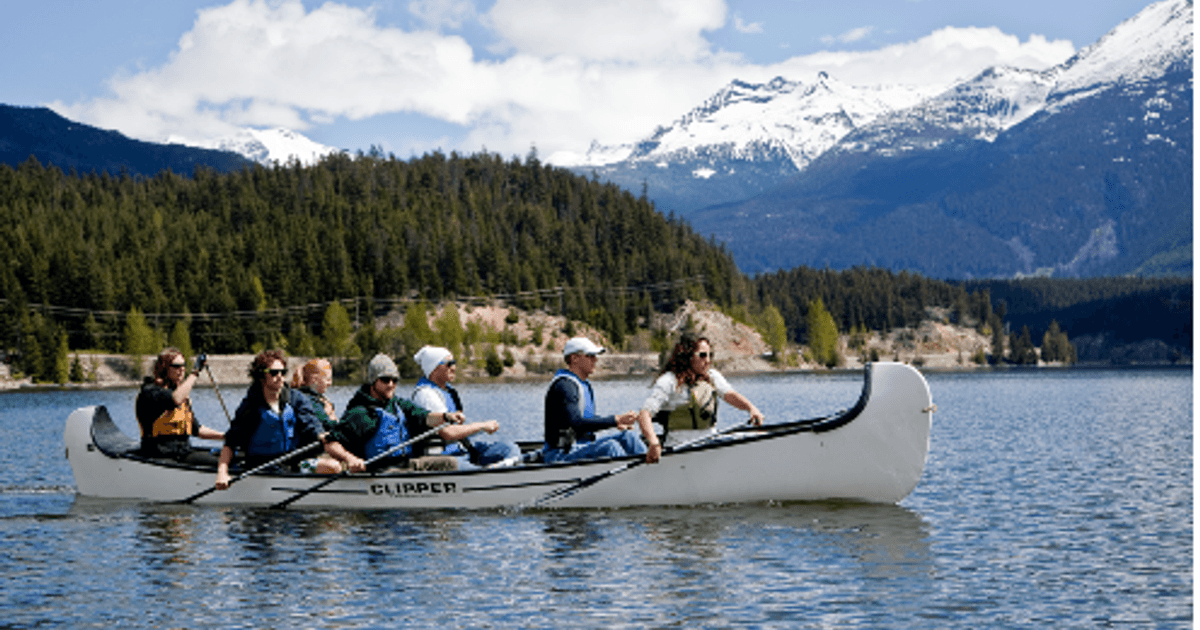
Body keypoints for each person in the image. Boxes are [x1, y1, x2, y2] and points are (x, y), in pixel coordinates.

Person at [322, 354, 464, 473]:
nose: (391, 384)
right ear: (373, 381)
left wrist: (446, 416)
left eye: (394, 380)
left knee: (449, 463)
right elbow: (331, 443)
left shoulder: (398, 404)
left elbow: (425, 417)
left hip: (405, 464)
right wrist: (350, 459)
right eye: (385, 379)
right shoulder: (360, 413)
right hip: (381, 471)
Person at [214, 350, 327, 490]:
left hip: (292, 463)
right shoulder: (250, 407)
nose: (280, 377)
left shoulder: (296, 399)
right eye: (274, 373)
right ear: (262, 376)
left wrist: (321, 434)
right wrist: (222, 474)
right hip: (260, 467)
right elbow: (230, 443)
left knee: (333, 466)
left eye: (283, 372)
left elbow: (312, 424)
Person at [638, 333, 765, 449]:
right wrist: (654, 442)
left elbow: (730, 395)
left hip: (710, 442)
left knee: (756, 437)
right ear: (687, 356)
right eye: (703, 355)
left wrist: (751, 408)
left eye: (710, 355)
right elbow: (644, 415)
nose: (708, 360)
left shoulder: (712, 376)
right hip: (680, 447)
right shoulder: (669, 381)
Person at [543, 337, 658, 464]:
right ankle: (632, 480)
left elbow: (586, 418)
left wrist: (616, 423)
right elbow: (576, 422)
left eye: (595, 356)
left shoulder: (580, 384)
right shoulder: (565, 386)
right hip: (560, 454)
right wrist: (615, 420)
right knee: (610, 447)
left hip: (580, 448)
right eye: (590, 356)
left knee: (628, 437)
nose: (595, 360)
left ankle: (651, 468)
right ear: (574, 358)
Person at [411, 346, 522, 469]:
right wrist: (482, 426)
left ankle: (496, 471)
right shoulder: (426, 394)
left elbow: (459, 427)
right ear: (434, 368)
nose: (454, 367)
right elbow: (448, 433)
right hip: (444, 456)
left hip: (462, 449)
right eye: (449, 364)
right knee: (473, 470)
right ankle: (490, 475)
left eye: (454, 363)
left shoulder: (449, 391)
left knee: (509, 448)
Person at [135, 348, 224, 464]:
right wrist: (195, 372)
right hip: (160, 454)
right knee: (220, 464)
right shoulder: (150, 392)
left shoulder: (182, 395)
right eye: (176, 366)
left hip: (183, 452)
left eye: (184, 365)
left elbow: (197, 430)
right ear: (164, 368)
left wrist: (226, 436)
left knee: (231, 457)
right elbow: (174, 399)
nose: (182, 369)